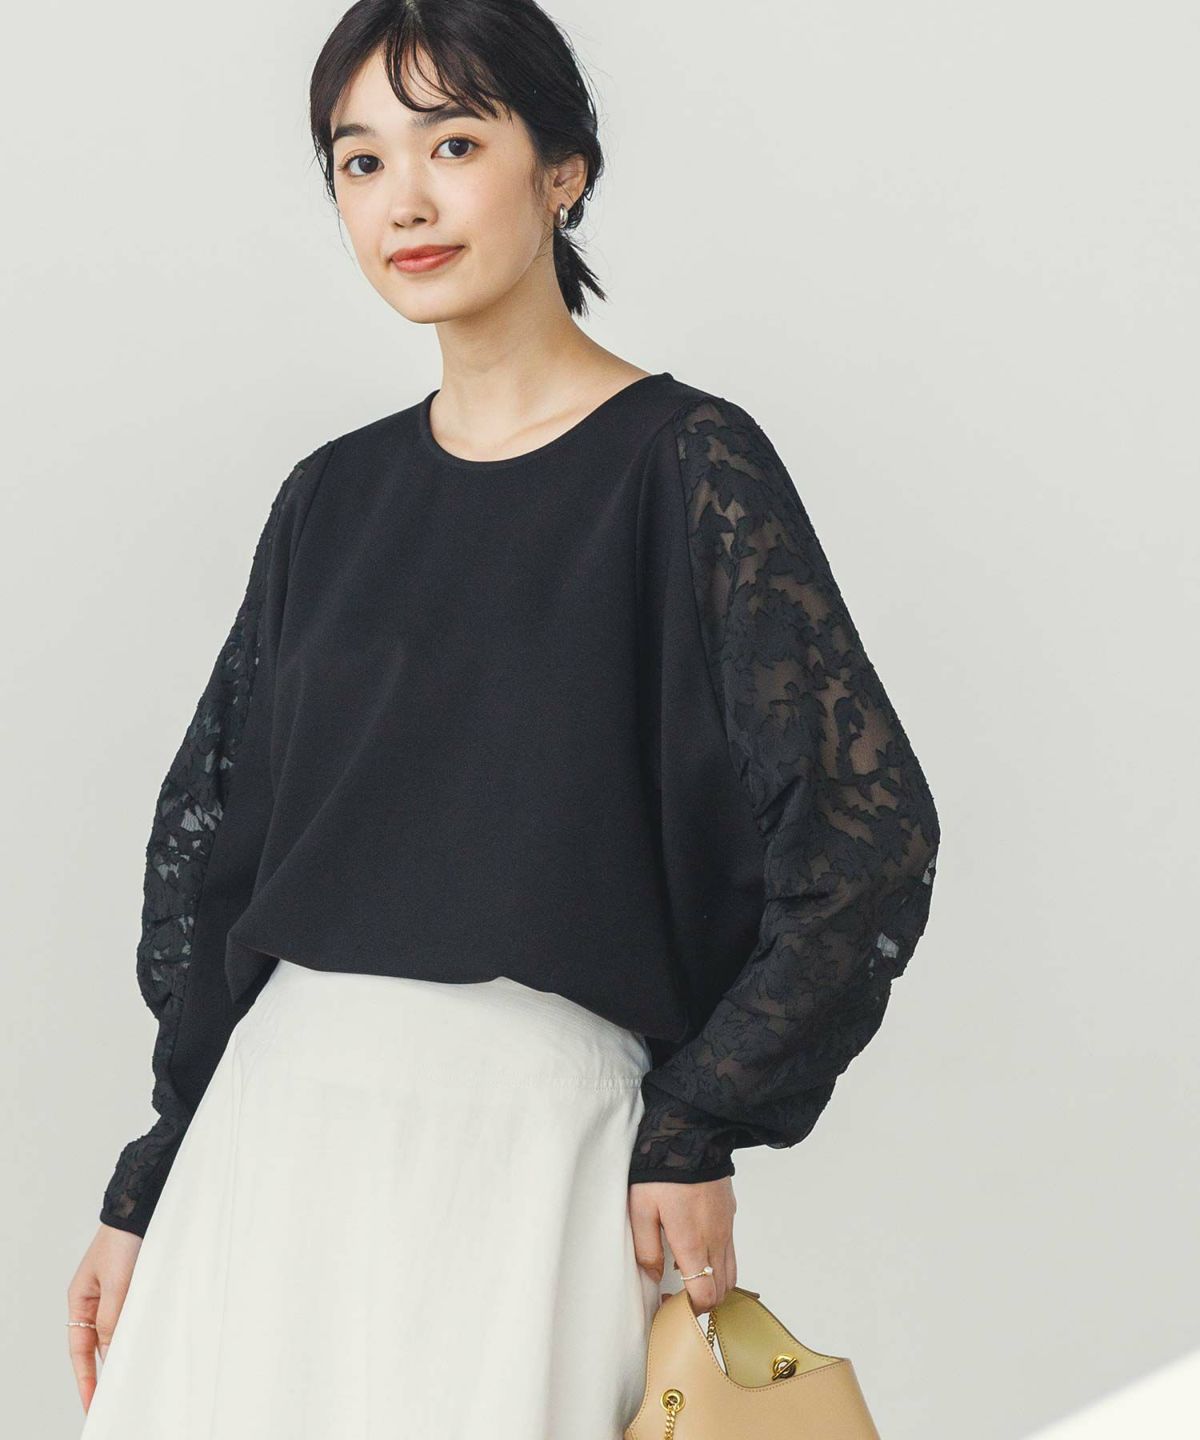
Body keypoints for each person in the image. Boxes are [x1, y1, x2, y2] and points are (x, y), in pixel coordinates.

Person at [66, 2, 941, 1436]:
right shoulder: (329, 500)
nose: (403, 200)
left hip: (531, 1150)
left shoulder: (685, 467)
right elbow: (220, 856)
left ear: (562, 171)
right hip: (273, 1142)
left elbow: (863, 831)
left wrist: (697, 1123)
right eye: (360, 161)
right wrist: (154, 1175)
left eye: (455, 144)